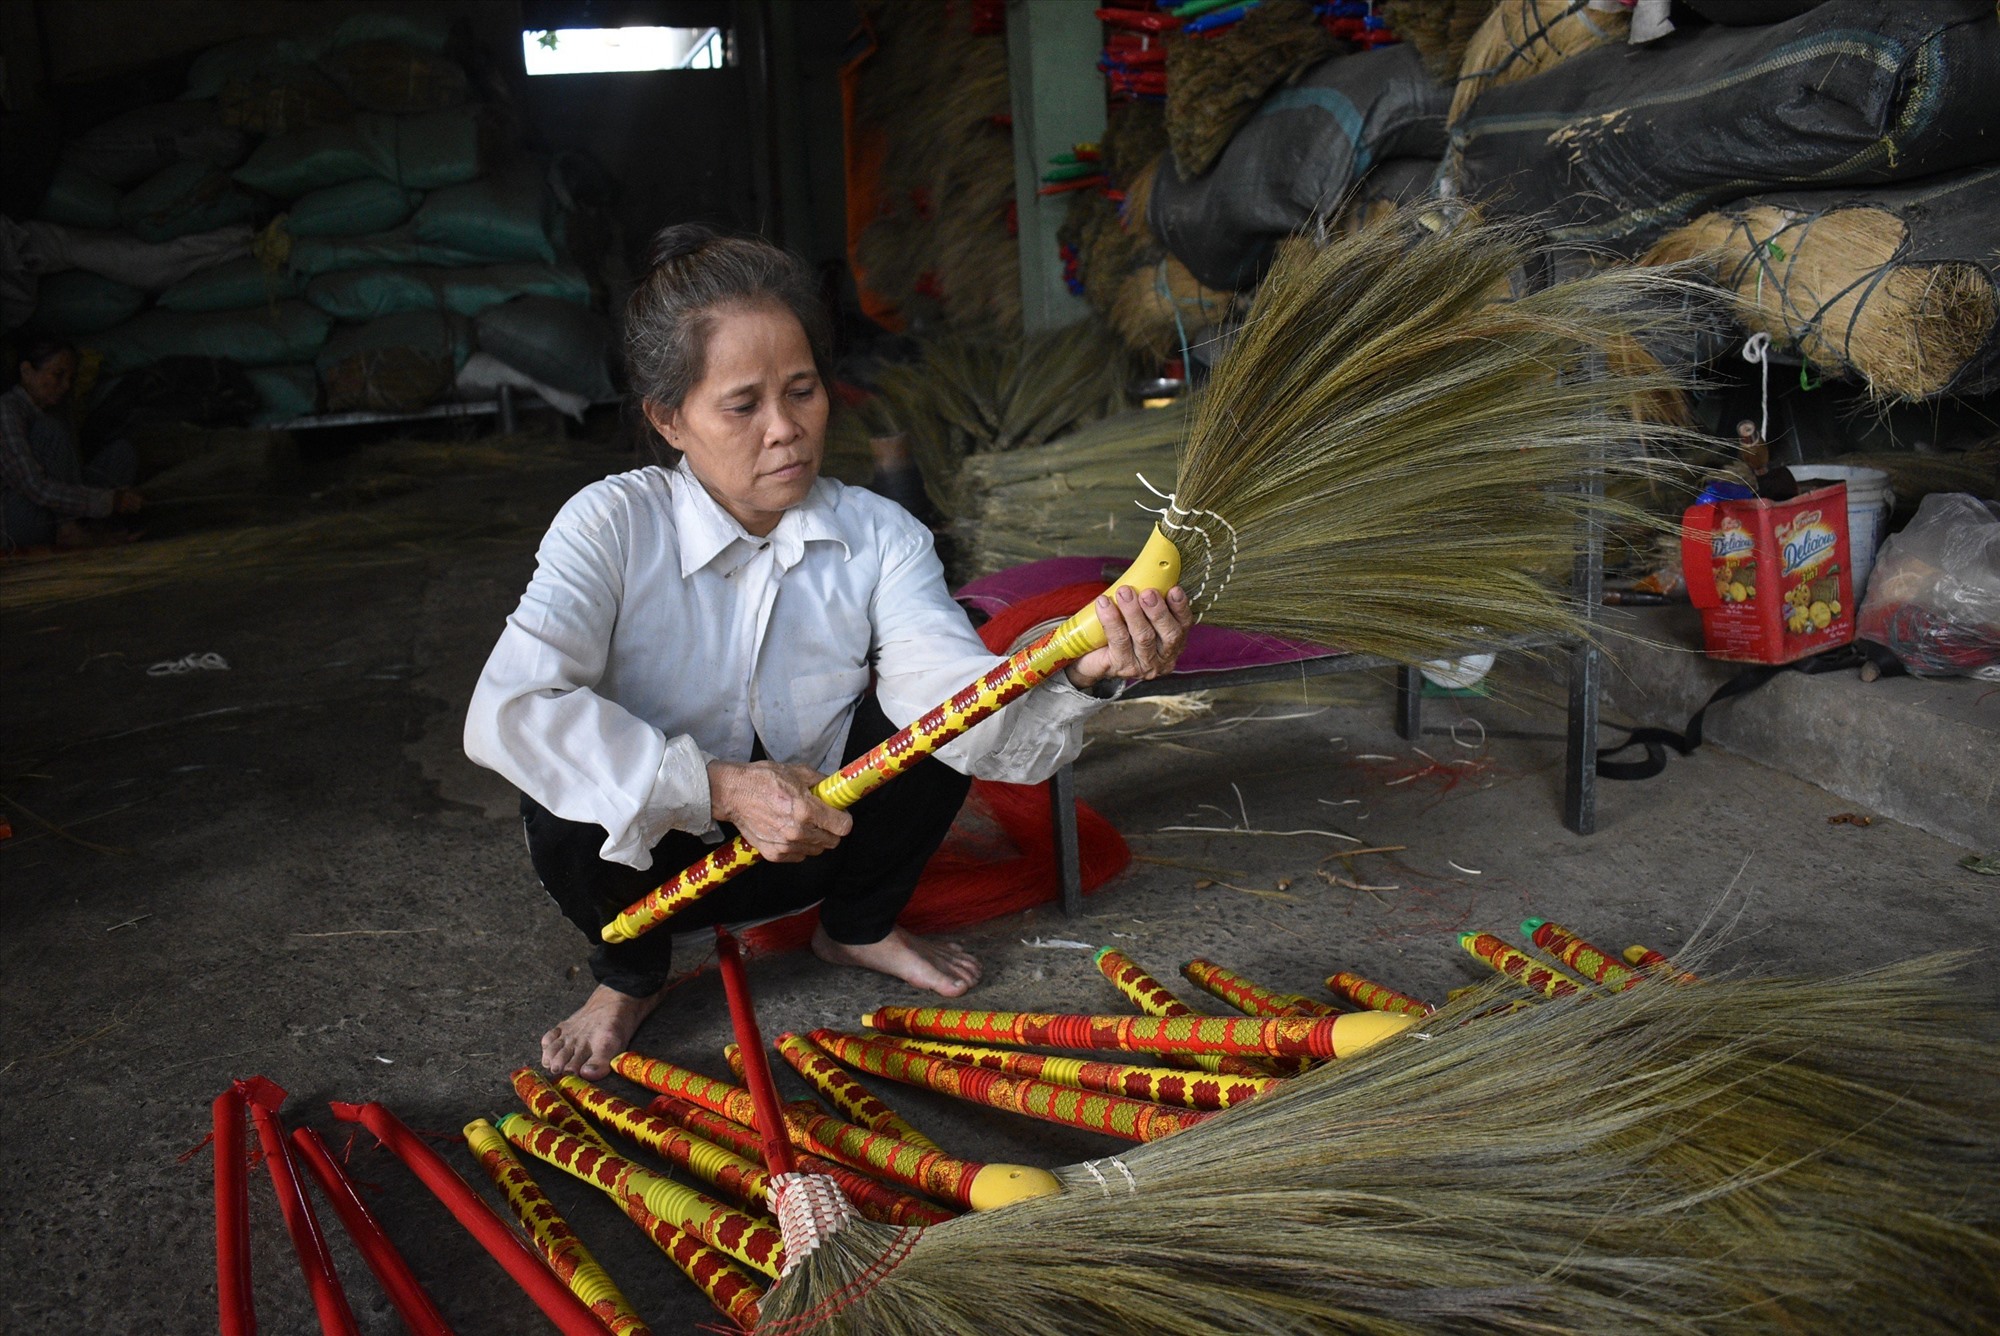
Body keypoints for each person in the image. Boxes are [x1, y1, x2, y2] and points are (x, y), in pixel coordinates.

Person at [465, 226, 1194, 1079]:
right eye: (743, 406)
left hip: (819, 846)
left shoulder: (878, 534)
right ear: (670, 420)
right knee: (561, 786)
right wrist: (720, 787)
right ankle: (631, 976)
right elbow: (508, 710)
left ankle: (856, 927)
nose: (786, 431)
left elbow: (951, 696)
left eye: (803, 392)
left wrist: (1076, 672)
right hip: (648, 875)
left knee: (933, 723)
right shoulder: (610, 525)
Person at [2, 338, 143, 552]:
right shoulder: (7, 410)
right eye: (58, 375)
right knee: (48, 429)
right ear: (27, 371)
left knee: (122, 453)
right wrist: (105, 501)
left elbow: (71, 473)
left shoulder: (59, 410)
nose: (66, 386)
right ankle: (71, 530)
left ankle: (89, 529)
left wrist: (113, 498)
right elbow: (34, 487)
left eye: (70, 378)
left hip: (56, 508)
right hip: (19, 519)